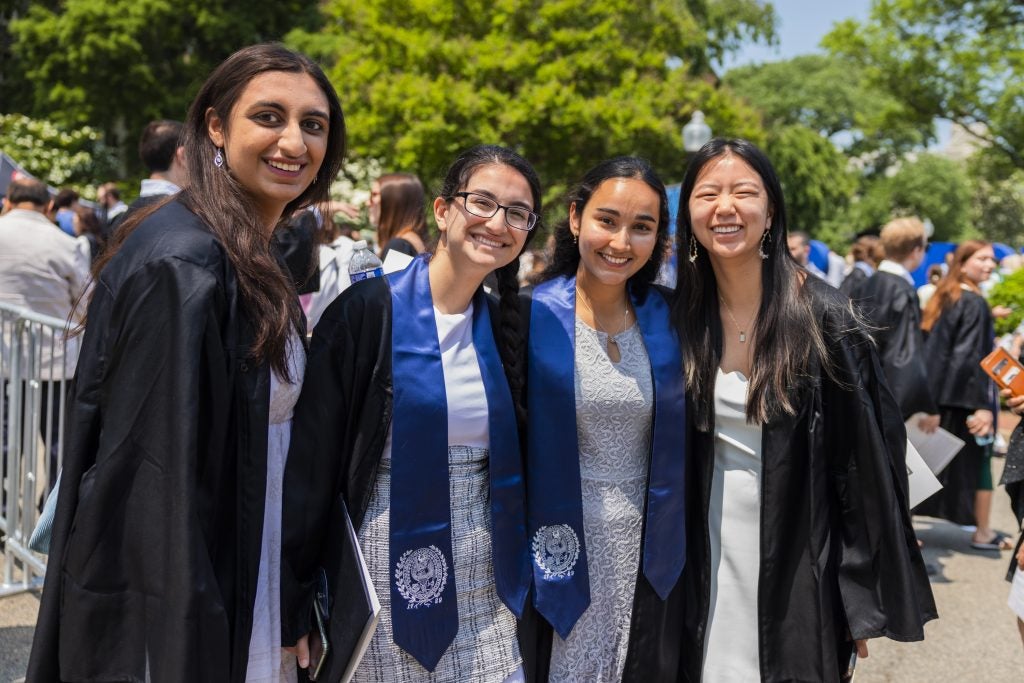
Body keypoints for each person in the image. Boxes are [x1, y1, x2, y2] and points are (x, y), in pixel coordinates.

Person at [26, 42, 346, 683]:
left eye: (313, 124)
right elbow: (156, 483)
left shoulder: (243, 247)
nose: (294, 141)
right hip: (187, 601)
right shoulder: (187, 262)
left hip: (240, 562)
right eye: (269, 116)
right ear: (216, 126)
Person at [672, 138, 935, 682]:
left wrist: (859, 592)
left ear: (771, 210)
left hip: (798, 553)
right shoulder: (677, 315)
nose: (725, 207)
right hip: (695, 549)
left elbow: (866, 465)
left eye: (744, 192)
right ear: (688, 212)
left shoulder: (823, 316)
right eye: (708, 193)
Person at [281, 145, 541, 682]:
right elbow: (310, 466)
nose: (498, 223)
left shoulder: (508, 326)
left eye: (518, 213)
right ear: (444, 211)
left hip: (485, 570)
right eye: (483, 202)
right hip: (382, 562)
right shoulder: (366, 312)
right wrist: (295, 601)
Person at [525, 157, 686, 681]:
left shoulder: (673, 319)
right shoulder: (528, 316)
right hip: (554, 543)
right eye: (607, 220)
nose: (621, 241)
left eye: (642, 227)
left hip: (650, 547)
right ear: (576, 219)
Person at [917, 241, 1011, 550]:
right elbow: (967, 356)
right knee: (976, 462)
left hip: (938, 396)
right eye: (982, 259)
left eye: (992, 260)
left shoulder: (947, 294)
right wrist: (981, 406)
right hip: (961, 400)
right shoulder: (973, 302)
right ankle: (982, 531)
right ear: (963, 262)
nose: (990, 265)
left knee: (919, 466)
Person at [0, 177, 90, 496]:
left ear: (8, 201)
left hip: (6, 358)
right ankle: (50, 519)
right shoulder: (65, 243)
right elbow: (86, 303)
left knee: (6, 438)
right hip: (54, 360)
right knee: (56, 443)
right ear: (49, 206)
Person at [851, 217, 939, 423]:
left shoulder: (866, 283)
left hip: (857, 390)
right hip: (885, 398)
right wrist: (923, 406)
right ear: (916, 250)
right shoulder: (903, 291)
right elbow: (903, 356)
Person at [370, 172, 429, 258]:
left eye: (374, 195)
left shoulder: (399, 247)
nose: (368, 203)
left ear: (394, 200)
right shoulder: (408, 242)